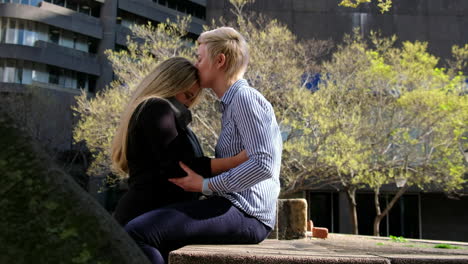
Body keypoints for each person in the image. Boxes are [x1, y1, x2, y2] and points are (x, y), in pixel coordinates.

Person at [124, 27, 283, 264]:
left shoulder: (244, 98)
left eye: (199, 58)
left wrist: (206, 185)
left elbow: (263, 163)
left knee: (139, 232)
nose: (195, 65)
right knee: (159, 235)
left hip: (246, 212)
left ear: (219, 61)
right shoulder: (231, 105)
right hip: (233, 207)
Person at [111, 57, 247, 226]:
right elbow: (181, 166)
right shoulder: (157, 107)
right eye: (187, 96)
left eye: (192, 100)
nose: (187, 104)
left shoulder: (156, 111)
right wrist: (237, 160)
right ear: (170, 84)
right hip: (146, 219)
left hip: (150, 217)